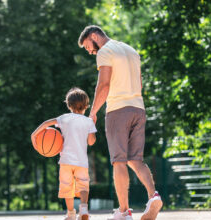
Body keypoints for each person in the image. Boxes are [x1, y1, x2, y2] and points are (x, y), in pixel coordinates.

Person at [78, 25, 163, 220]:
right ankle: (153, 196)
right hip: (138, 108)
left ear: (94, 36)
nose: (90, 52)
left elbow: (104, 84)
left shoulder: (105, 52)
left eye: (88, 47)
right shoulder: (131, 50)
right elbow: (140, 84)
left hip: (118, 110)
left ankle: (124, 211)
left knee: (119, 161)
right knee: (136, 159)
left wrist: (92, 113)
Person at [31, 88, 97, 220]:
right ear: (86, 105)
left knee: (67, 188)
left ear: (68, 104)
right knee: (83, 186)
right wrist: (93, 125)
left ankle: (71, 213)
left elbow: (47, 123)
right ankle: (83, 209)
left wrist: (34, 135)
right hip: (81, 162)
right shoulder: (88, 121)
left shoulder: (64, 118)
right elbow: (91, 142)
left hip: (66, 161)